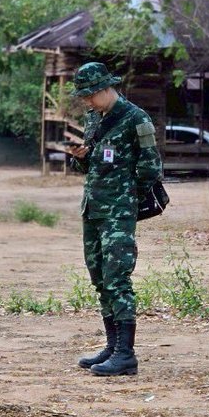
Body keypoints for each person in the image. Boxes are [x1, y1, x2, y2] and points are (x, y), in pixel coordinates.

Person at [68, 61, 162, 377]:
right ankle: (111, 346)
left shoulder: (136, 119)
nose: (87, 102)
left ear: (107, 88)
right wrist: (80, 158)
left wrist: (126, 199)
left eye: (91, 95)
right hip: (92, 209)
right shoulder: (94, 120)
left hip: (118, 214)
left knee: (117, 278)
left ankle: (126, 354)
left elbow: (151, 169)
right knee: (99, 279)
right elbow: (93, 167)